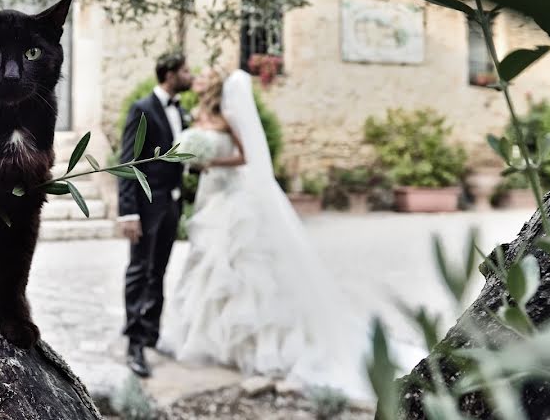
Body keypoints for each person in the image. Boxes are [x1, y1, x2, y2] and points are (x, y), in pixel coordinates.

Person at [160, 68, 423, 400]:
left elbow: (246, 157)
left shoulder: (228, 115)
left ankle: (254, 346)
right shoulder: (198, 113)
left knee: (239, 268)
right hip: (211, 196)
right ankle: (218, 342)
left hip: (232, 195)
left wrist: (213, 161)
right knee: (209, 265)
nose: (197, 78)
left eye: (203, 76)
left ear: (215, 86)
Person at [118, 52, 193, 378]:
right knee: (140, 270)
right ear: (170, 73)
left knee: (159, 270)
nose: (191, 75)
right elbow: (126, 163)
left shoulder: (183, 111)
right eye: (186, 71)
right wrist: (129, 212)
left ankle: (151, 333)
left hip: (172, 204)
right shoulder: (142, 109)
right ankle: (134, 343)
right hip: (147, 206)